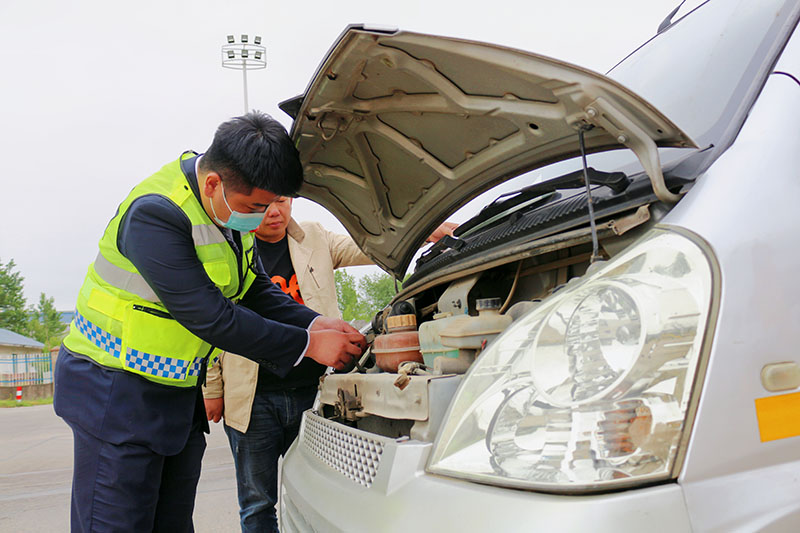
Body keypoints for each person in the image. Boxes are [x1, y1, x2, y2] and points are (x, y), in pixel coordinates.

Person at [53, 111, 365, 533]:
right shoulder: (156, 214)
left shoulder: (225, 213)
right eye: (255, 206)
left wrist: (315, 324)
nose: (262, 217)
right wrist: (306, 346)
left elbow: (253, 288)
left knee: (173, 524)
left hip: (173, 396)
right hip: (114, 393)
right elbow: (210, 315)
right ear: (215, 182)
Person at [203, 197, 456, 533]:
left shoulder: (315, 236)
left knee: (318, 494)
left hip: (315, 395)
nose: (274, 211)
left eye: (281, 200)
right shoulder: (234, 248)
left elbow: (365, 246)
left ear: (291, 199)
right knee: (257, 504)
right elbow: (210, 324)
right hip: (252, 397)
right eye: (264, 204)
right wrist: (212, 387)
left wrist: (423, 231)